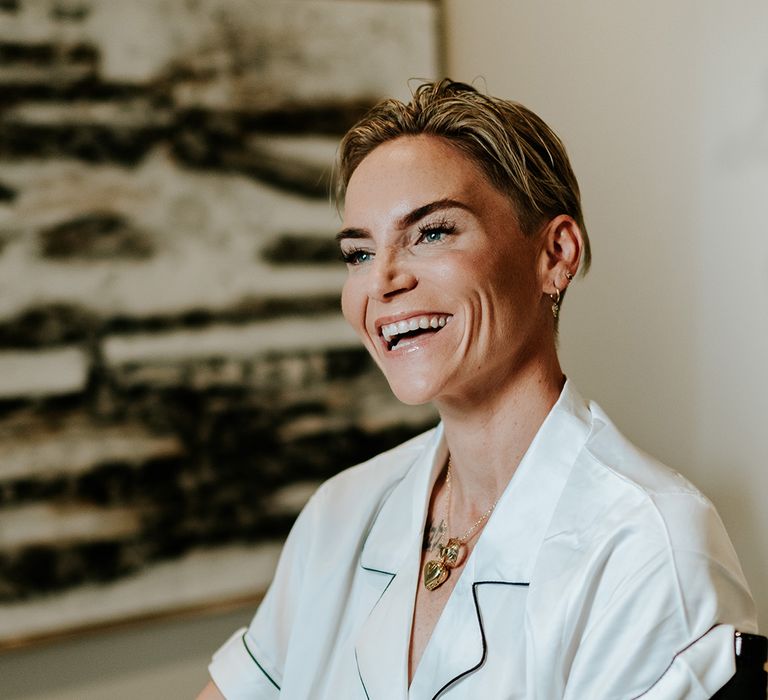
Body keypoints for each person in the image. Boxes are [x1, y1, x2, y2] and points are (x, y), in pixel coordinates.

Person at [197, 79, 757, 699]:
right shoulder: (340, 513)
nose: (381, 282)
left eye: (432, 232)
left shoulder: (653, 546)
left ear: (555, 253)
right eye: (358, 253)